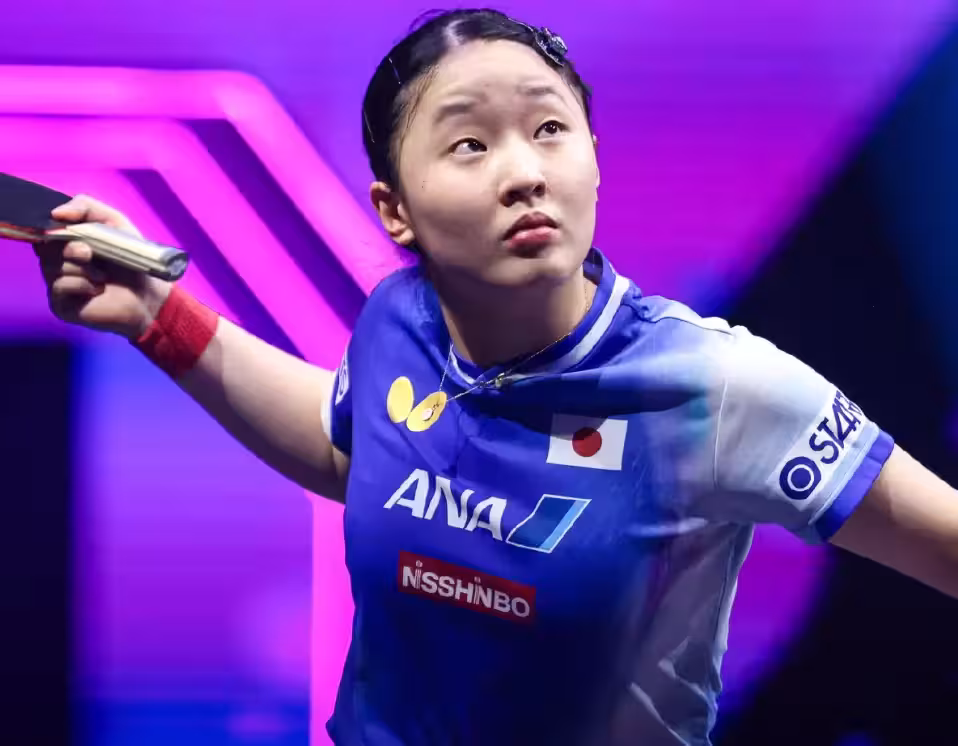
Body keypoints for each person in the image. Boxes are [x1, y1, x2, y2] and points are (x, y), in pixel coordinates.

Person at [34, 8, 958, 746]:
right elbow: (351, 451)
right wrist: (159, 317)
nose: (525, 173)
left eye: (550, 129)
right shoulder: (399, 320)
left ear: (594, 160)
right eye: (470, 144)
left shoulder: (710, 386)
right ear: (395, 211)